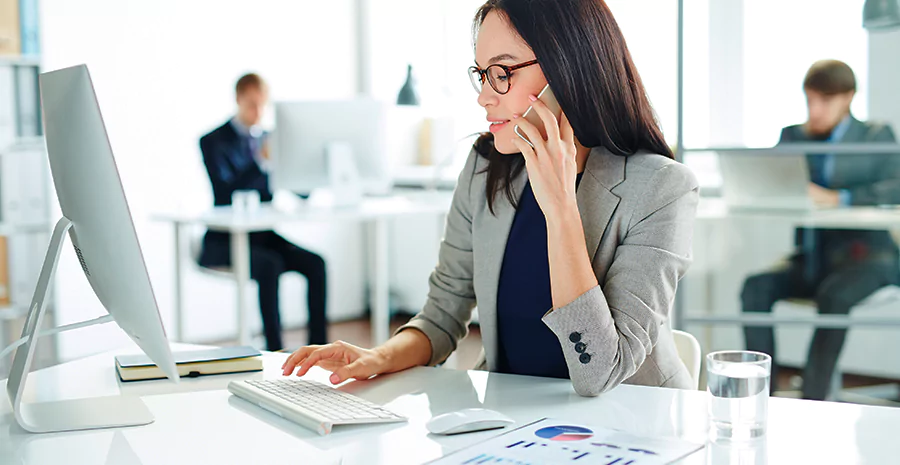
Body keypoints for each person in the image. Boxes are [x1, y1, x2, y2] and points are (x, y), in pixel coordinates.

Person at [282, 0, 699, 397]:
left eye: (502, 73)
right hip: (511, 424)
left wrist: (560, 212)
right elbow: (442, 316)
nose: (484, 96)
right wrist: (377, 356)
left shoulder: (662, 189)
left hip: (634, 427)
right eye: (482, 74)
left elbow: (601, 373)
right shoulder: (486, 166)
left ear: (567, 71)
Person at [742, 60, 900, 400]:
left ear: (848, 98)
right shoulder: (793, 136)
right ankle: (761, 397)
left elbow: (895, 186)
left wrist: (838, 198)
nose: (814, 110)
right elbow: (770, 182)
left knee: (834, 295)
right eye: (809, 100)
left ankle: (813, 400)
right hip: (814, 257)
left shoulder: (876, 135)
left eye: (824, 101)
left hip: (871, 259)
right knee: (755, 289)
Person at [198, 73, 328, 351]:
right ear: (238, 99)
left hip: (262, 235)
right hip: (224, 240)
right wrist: (260, 161)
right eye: (251, 104)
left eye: (262, 105)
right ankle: (276, 351)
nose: (257, 112)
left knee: (316, 264)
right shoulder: (212, 141)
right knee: (270, 265)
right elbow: (225, 192)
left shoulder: (271, 139)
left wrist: (305, 161)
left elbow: (301, 191)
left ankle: (318, 347)